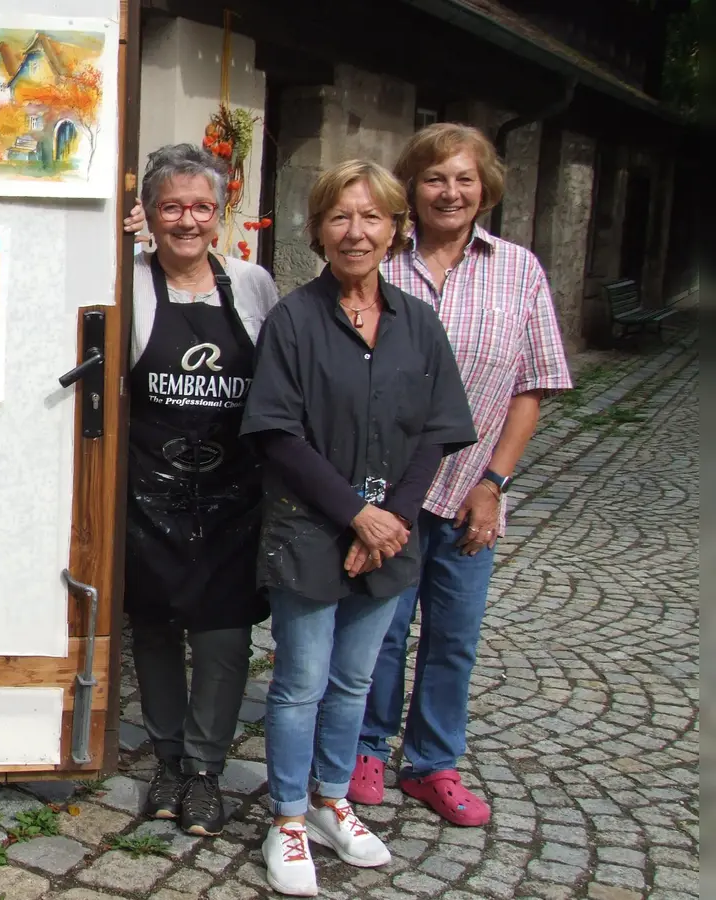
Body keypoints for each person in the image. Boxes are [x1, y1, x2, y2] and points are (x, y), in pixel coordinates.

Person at [239, 160, 478, 896]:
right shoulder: (294, 321)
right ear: (318, 230)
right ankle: (286, 816)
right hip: (310, 529)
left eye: (373, 217)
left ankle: (331, 801)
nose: (357, 232)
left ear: (395, 229)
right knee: (300, 683)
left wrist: (393, 521)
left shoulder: (418, 322)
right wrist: (357, 515)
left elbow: (438, 432)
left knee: (353, 682)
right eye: (341, 217)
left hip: (389, 538)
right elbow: (278, 435)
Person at [352, 124, 572, 826]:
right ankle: (365, 746)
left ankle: (433, 763)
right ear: (411, 189)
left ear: (485, 189)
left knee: (453, 634)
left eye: (464, 179)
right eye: (435, 178)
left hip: (470, 491)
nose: (450, 191)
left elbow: (529, 388)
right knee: (379, 629)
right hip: (385, 493)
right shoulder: (380, 266)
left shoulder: (519, 270)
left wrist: (494, 485)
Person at [121, 144, 281, 834]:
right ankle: (165, 762)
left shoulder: (251, 284)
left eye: (201, 207)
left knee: (222, 641)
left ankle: (206, 771)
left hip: (232, 498)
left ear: (220, 217)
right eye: (171, 207)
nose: (187, 221)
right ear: (150, 216)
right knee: (154, 634)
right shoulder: (126, 280)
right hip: (149, 497)